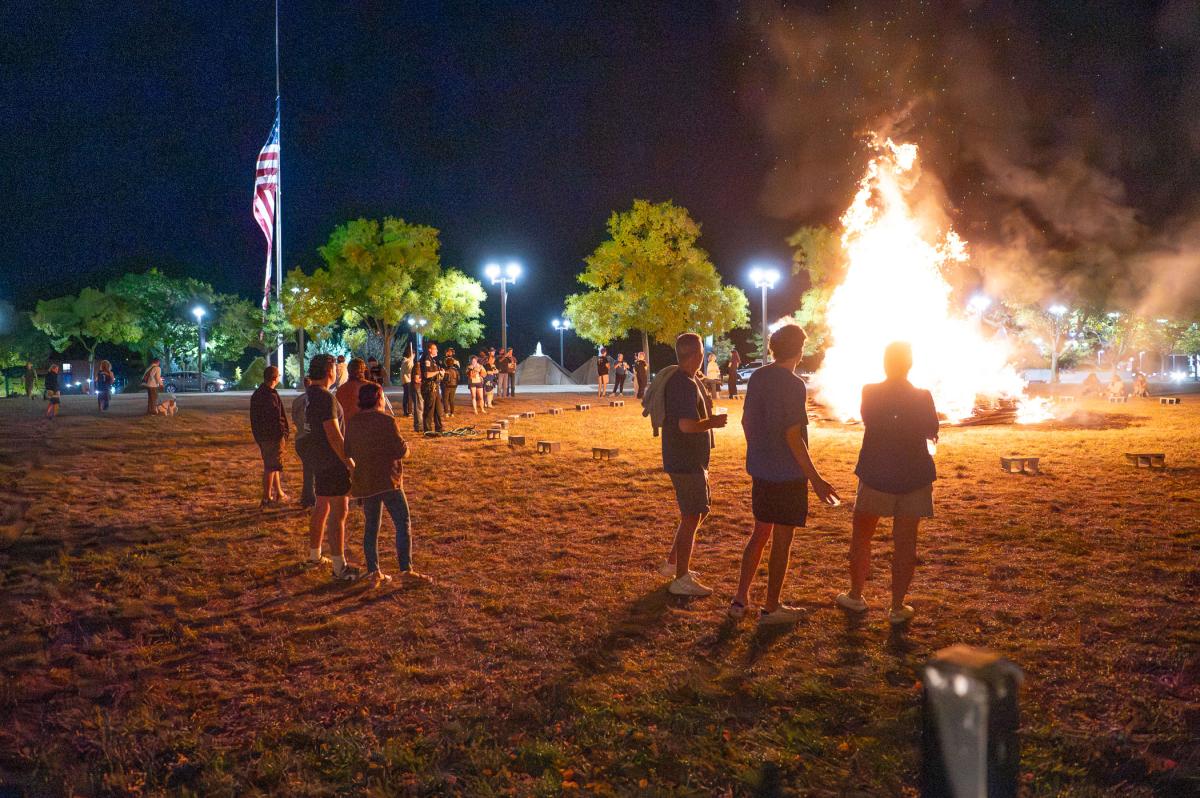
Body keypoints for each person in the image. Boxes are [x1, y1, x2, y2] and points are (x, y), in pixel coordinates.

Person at [729, 325, 840, 624]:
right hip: (788, 475)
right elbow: (794, 436)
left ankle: (740, 600)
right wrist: (816, 479)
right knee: (782, 539)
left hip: (762, 471)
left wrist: (759, 451)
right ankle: (771, 607)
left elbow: (746, 421)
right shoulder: (793, 385)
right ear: (799, 350)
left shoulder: (758, 377)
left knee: (759, 532)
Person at [836, 341, 938, 625]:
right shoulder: (922, 395)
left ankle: (856, 596)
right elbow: (932, 430)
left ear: (885, 363)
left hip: (876, 474)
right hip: (914, 476)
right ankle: (896, 606)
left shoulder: (870, 391)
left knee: (862, 536)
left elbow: (869, 420)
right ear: (910, 364)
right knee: (906, 543)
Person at [659, 333, 728, 596]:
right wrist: (713, 423)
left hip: (687, 458)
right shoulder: (684, 384)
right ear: (697, 354)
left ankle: (673, 564)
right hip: (685, 459)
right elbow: (686, 425)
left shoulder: (685, 379)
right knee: (692, 514)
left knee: (698, 511)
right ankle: (681, 578)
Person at [344, 382, 430, 585]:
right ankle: (406, 570)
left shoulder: (353, 422)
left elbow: (347, 450)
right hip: (388, 480)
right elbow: (401, 451)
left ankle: (374, 571)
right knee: (402, 522)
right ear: (378, 399)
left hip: (366, 481)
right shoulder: (387, 421)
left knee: (371, 526)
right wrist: (407, 448)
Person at [296, 354, 361, 580]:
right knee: (339, 512)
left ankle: (315, 555)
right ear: (329, 372)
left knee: (321, 506)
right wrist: (350, 463)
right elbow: (334, 435)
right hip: (332, 461)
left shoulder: (309, 395)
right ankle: (339, 567)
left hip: (318, 460)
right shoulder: (325, 398)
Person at [250, 365, 291, 508]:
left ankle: (279, 493)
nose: (279, 377)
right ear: (274, 378)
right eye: (279, 375)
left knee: (273, 465)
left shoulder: (258, 394)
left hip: (263, 436)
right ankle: (266, 497)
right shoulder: (270, 396)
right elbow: (275, 417)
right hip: (273, 437)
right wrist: (283, 433)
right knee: (270, 467)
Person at [336, 358, 393, 423]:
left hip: (347, 429)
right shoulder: (374, 388)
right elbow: (380, 410)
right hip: (369, 427)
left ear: (348, 371)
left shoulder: (340, 390)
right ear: (364, 370)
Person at [291, 376, 316, 508]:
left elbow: (294, 418)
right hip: (310, 438)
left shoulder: (297, 400)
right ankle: (310, 498)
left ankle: (307, 497)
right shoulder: (314, 400)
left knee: (308, 469)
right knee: (313, 470)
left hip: (300, 438)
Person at [420, 342, 444, 433]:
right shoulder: (427, 359)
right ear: (430, 349)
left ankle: (439, 428)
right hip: (429, 388)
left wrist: (440, 373)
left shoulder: (433, 360)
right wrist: (438, 372)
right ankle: (428, 430)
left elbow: (434, 374)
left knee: (438, 409)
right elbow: (427, 374)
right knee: (429, 410)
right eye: (435, 349)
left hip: (435, 387)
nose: (437, 350)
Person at [441, 347, 460, 417]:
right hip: (453, 384)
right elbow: (458, 373)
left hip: (447, 384)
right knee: (450, 399)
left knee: (446, 399)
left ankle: (447, 412)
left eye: (450, 352)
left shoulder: (454, 361)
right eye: (448, 352)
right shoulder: (444, 360)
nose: (449, 353)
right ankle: (451, 413)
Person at [400, 347, 415, 417]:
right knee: (409, 397)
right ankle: (409, 412)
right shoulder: (408, 361)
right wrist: (411, 359)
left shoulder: (404, 361)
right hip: (408, 381)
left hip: (405, 381)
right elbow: (409, 370)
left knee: (406, 396)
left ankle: (406, 412)